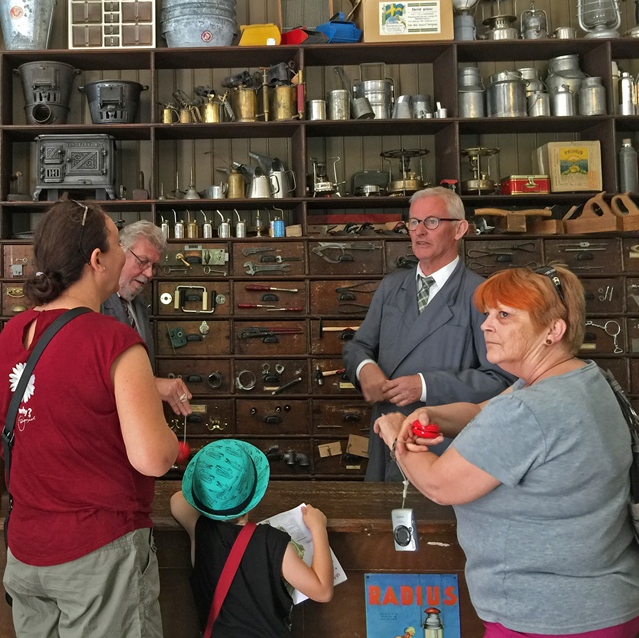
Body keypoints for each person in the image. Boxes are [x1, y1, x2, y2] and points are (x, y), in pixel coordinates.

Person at [374, 265, 639, 637]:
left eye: (504, 315)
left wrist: (395, 433)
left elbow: (439, 484)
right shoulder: (580, 378)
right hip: (603, 602)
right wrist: (432, 414)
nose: (485, 325)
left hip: (548, 617)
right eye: (487, 314)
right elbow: (481, 410)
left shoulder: (529, 410)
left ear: (553, 330)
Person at [0, 199, 179, 638]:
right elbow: (152, 459)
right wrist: (166, 436)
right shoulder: (113, 341)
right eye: (117, 245)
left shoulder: (12, 333)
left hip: (27, 551)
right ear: (97, 260)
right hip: (99, 553)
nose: (124, 257)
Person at [343, 186, 514, 481]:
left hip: (444, 450)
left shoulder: (482, 294)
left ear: (460, 229)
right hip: (387, 442)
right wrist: (364, 368)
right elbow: (358, 345)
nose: (420, 231)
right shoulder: (391, 288)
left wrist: (424, 386)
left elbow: (501, 381)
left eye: (432, 222)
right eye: (413, 222)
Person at [170, 439, 334, 638]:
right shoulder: (271, 542)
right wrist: (318, 528)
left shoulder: (200, 530)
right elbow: (323, 591)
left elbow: (177, 499)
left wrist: (211, 493)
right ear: (254, 495)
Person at [101, 220, 192, 416]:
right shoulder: (96, 303)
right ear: (120, 252)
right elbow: (92, 375)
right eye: (143, 262)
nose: (149, 273)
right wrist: (153, 385)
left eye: (153, 265)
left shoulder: (139, 304)